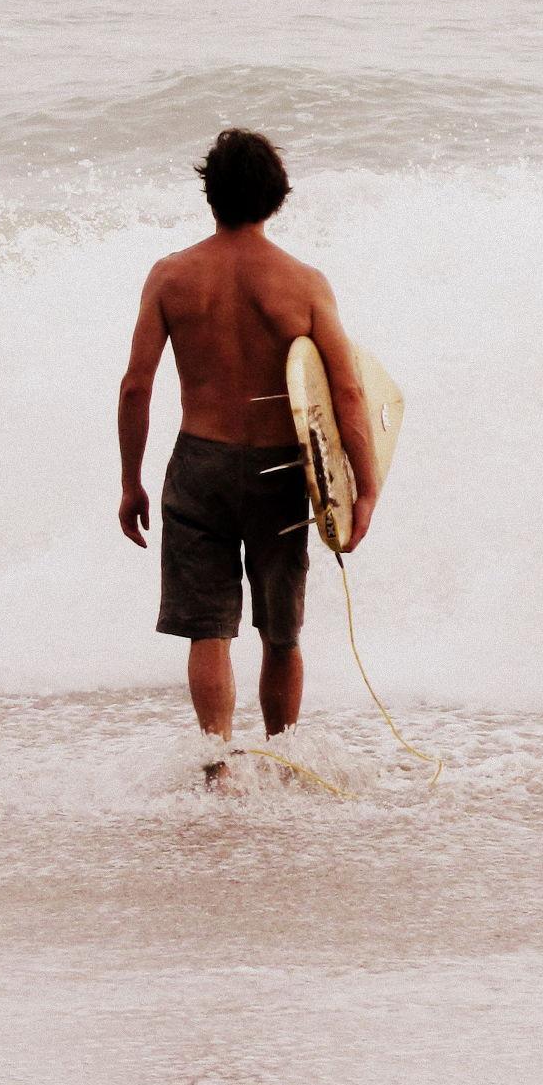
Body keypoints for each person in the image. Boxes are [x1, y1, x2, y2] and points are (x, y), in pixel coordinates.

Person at [117, 128, 379, 762]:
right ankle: (281, 758)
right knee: (281, 632)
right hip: (281, 470)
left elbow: (136, 387)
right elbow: (345, 393)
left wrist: (130, 482)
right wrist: (364, 488)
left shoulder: (171, 276)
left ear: (211, 194)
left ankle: (218, 764)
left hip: (199, 462)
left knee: (208, 631)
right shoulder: (303, 283)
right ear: (275, 197)